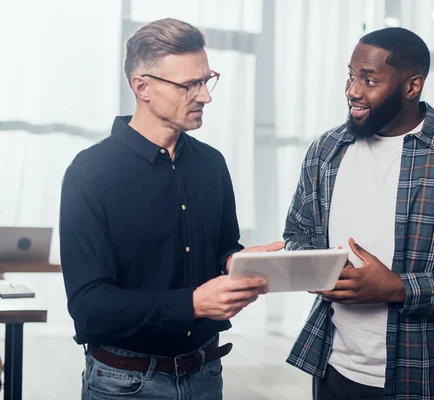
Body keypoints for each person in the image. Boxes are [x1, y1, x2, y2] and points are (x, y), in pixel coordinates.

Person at [283, 27, 434, 400]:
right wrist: (316, 268)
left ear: (413, 86)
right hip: (332, 366)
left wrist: (400, 289)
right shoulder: (325, 151)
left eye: (369, 79)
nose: (352, 90)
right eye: (351, 75)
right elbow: (296, 234)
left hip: (424, 374)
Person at [59, 18, 282, 399]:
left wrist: (236, 262)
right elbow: (89, 305)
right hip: (124, 384)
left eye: (207, 79)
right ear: (141, 86)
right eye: (189, 85)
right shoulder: (90, 171)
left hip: (206, 374)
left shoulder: (212, 163)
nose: (205, 96)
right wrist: (193, 303)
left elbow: (223, 245)